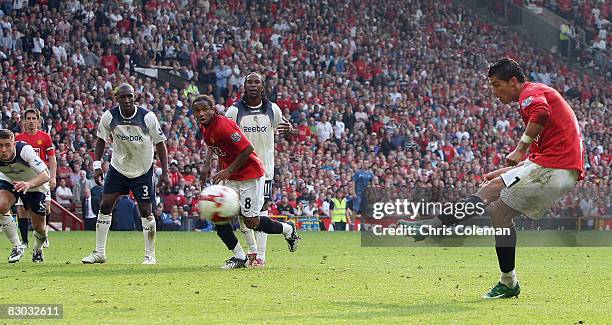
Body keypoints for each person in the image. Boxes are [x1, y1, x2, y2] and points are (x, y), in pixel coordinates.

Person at [406, 57, 583, 299]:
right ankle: (508, 281)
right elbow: (537, 157)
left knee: (489, 190)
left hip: (557, 166)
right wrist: (506, 171)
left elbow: (541, 113)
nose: (493, 91)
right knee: (499, 214)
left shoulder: (530, 93)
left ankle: (431, 227)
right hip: (558, 168)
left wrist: (519, 148)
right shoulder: (538, 95)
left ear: (513, 82)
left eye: (496, 84)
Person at [193, 94, 300, 269]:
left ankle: (288, 229)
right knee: (218, 215)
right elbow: (221, 150)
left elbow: (247, 149)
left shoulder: (224, 125)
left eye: (205, 109)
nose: (201, 113)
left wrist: (227, 170)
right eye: (197, 111)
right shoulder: (204, 127)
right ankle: (239, 256)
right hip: (232, 177)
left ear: (213, 110)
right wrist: (210, 166)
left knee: (252, 222)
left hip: (250, 175)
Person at [82, 83, 170, 265]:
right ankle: (99, 253)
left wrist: (165, 171)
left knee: (146, 211)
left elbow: (160, 144)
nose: (127, 100)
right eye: (123, 96)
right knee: (105, 205)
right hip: (118, 168)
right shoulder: (109, 117)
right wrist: (97, 165)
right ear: (117, 98)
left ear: (135, 97)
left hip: (143, 170)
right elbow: (100, 141)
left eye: (130, 96)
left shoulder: (147, 117)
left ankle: (150, 255)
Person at [225, 72, 293, 267]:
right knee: (241, 213)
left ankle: (260, 256)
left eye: (257, 82)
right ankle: (252, 250)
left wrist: (288, 130)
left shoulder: (273, 109)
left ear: (263, 87)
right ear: (244, 86)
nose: (253, 85)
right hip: (240, 169)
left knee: (261, 211)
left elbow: (282, 128)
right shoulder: (234, 112)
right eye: (250, 82)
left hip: (264, 170)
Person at [0, 129, 50, 263]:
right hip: (11, 181)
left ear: (13, 143)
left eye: (7, 145)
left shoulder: (25, 150)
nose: (3, 150)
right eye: (0, 145)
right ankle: (17, 246)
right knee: (1, 205)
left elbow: (46, 175)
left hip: (35, 185)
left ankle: (38, 249)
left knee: (39, 228)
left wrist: (28, 184)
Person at [15, 108, 56, 249]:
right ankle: (24, 241)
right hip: (24, 178)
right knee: (21, 209)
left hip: (41, 178)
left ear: (38, 121)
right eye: (29, 118)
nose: (31, 121)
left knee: (46, 209)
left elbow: (52, 158)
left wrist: (53, 176)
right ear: (24, 121)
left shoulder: (45, 137)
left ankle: (44, 236)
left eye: (34, 118)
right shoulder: (18, 138)